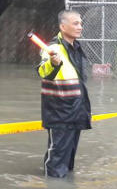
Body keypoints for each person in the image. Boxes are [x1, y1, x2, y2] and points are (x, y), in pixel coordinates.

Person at [36, 10, 91, 178]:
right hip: (60, 114)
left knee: (68, 164)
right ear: (62, 26)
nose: (80, 27)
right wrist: (53, 63)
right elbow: (42, 71)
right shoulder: (52, 49)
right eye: (75, 23)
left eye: (81, 23)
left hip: (76, 112)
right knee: (56, 163)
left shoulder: (77, 48)